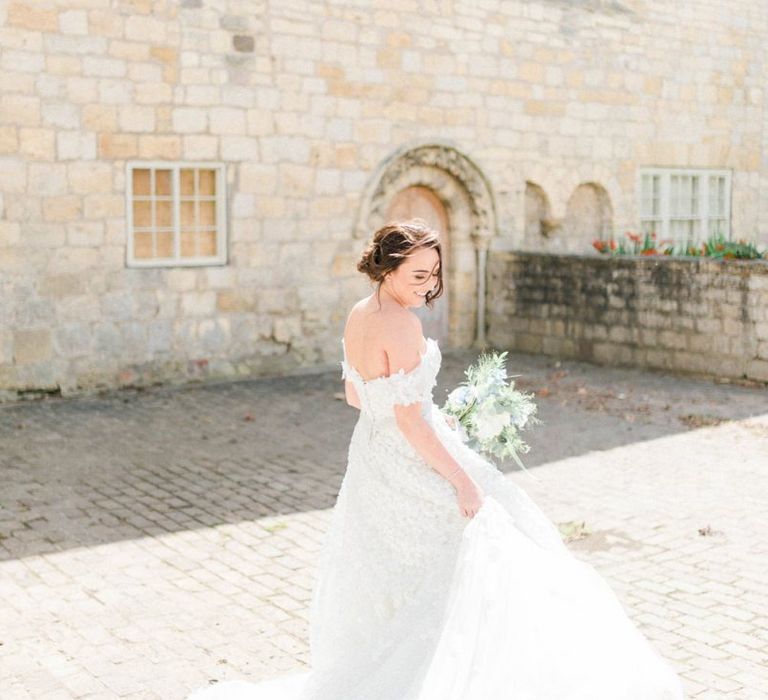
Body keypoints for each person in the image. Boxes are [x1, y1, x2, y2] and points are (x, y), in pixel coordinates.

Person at [188, 220, 686, 699]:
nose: (429, 287)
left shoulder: (360, 313)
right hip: (411, 458)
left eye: (434, 274)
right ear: (387, 269)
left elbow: (356, 396)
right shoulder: (400, 323)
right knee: (482, 551)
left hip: (371, 458)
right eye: (418, 276)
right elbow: (407, 420)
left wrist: (423, 411)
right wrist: (459, 477)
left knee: (406, 571)